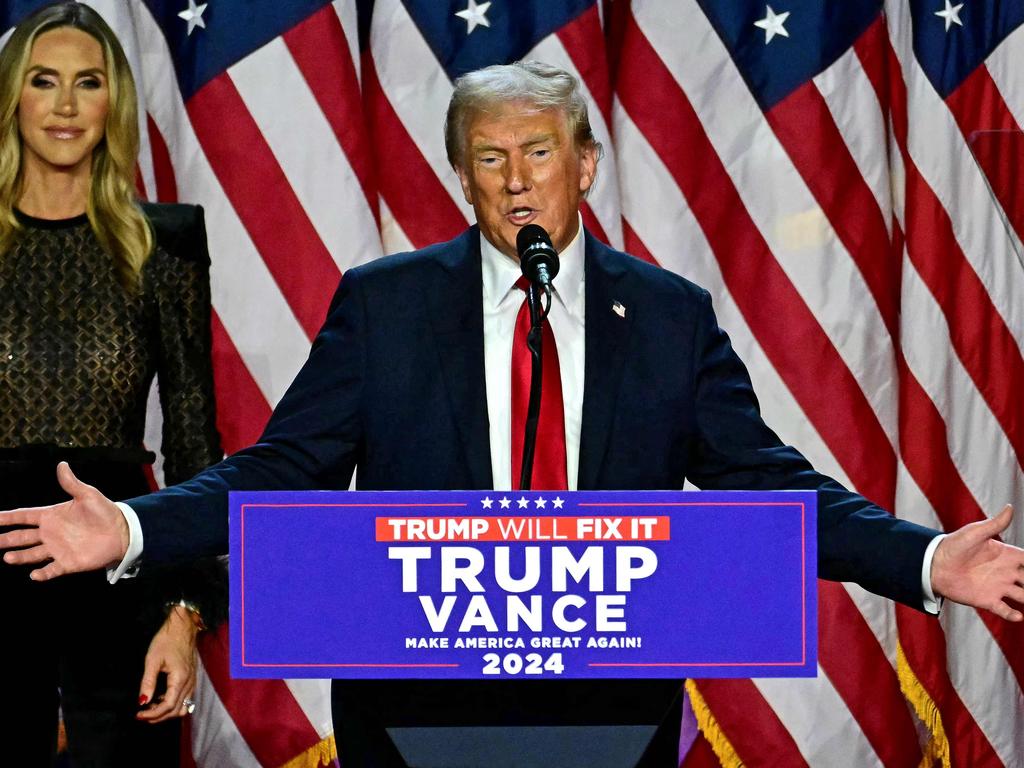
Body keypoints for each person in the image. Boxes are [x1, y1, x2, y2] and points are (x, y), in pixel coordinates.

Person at [2, 60, 1023, 765]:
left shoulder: (666, 317)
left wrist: (928, 561)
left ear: (584, 165)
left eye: (539, 153)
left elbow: (767, 482)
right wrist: (134, 527)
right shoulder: (384, 303)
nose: (516, 180)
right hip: (412, 705)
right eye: (488, 159)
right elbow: (281, 470)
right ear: (461, 178)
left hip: (607, 707)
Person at [0, 3, 225, 766]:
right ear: (13, 97)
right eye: (44, 81)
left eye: (87, 83)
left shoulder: (164, 243)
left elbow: (195, 443)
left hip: (121, 572)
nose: (65, 106)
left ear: (114, 103)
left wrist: (183, 613)